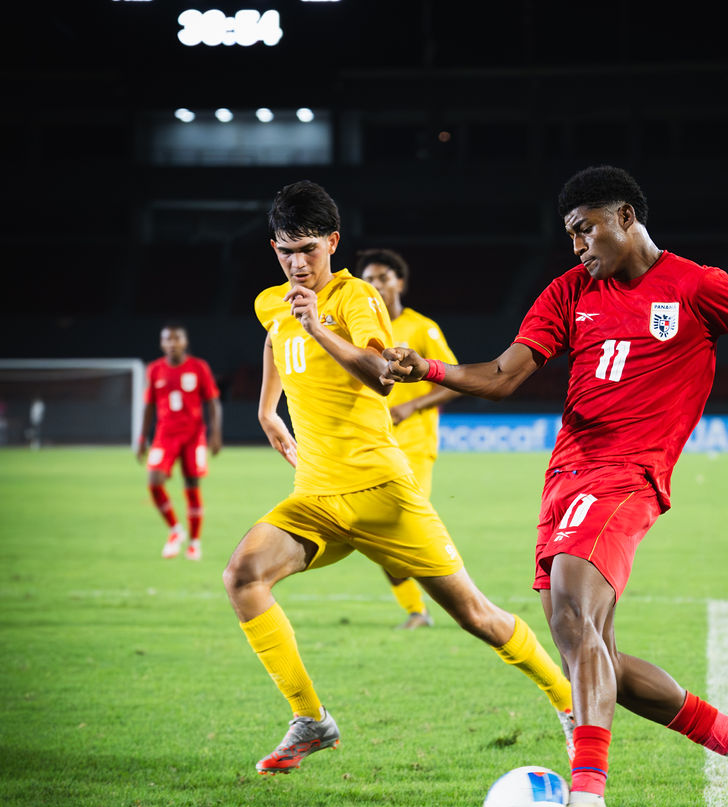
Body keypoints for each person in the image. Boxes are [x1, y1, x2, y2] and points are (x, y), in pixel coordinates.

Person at [382, 165, 728, 807]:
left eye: (584, 229)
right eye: (569, 235)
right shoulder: (570, 292)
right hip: (567, 473)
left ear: (625, 216)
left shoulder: (700, 286)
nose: (577, 246)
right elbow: (504, 375)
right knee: (597, 659)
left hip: (630, 474)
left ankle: (587, 804)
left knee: (570, 613)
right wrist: (429, 371)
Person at [222, 180, 575, 776]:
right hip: (315, 497)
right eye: (284, 251)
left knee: (476, 616)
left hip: (382, 493)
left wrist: (318, 328)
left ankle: (570, 706)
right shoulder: (272, 302)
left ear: (333, 242)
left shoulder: (356, 299)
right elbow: (274, 340)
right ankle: (311, 718)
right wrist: (265, 409)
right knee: (243, 575)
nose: (296, 263)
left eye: (307, 248)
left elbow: (382, 377)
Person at [356, 248, 460, 629]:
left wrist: (410, 407)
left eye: (383, 277)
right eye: (368, 279)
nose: (376, 285)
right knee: (374, 530)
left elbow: (452, 381)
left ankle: (459, 602)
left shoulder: (422, 328)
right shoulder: (363, 329)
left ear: (399, 282)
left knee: (400, 520)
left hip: (415, 443)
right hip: (373, 444)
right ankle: (417, 611)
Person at [137, 325, 222, 561]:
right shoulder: (155, 369)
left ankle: (194, 542)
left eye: (177, 339)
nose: (172, 343)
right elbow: (149, 406)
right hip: (165, 434)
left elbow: (214, 402)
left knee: (192, 487)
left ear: (185, 342)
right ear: (162, 343)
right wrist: (142, 437)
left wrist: (215, 434)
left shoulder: (198, 367)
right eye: (168, 339)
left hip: (193, 435)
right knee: (154, 482)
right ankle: (176, 530)